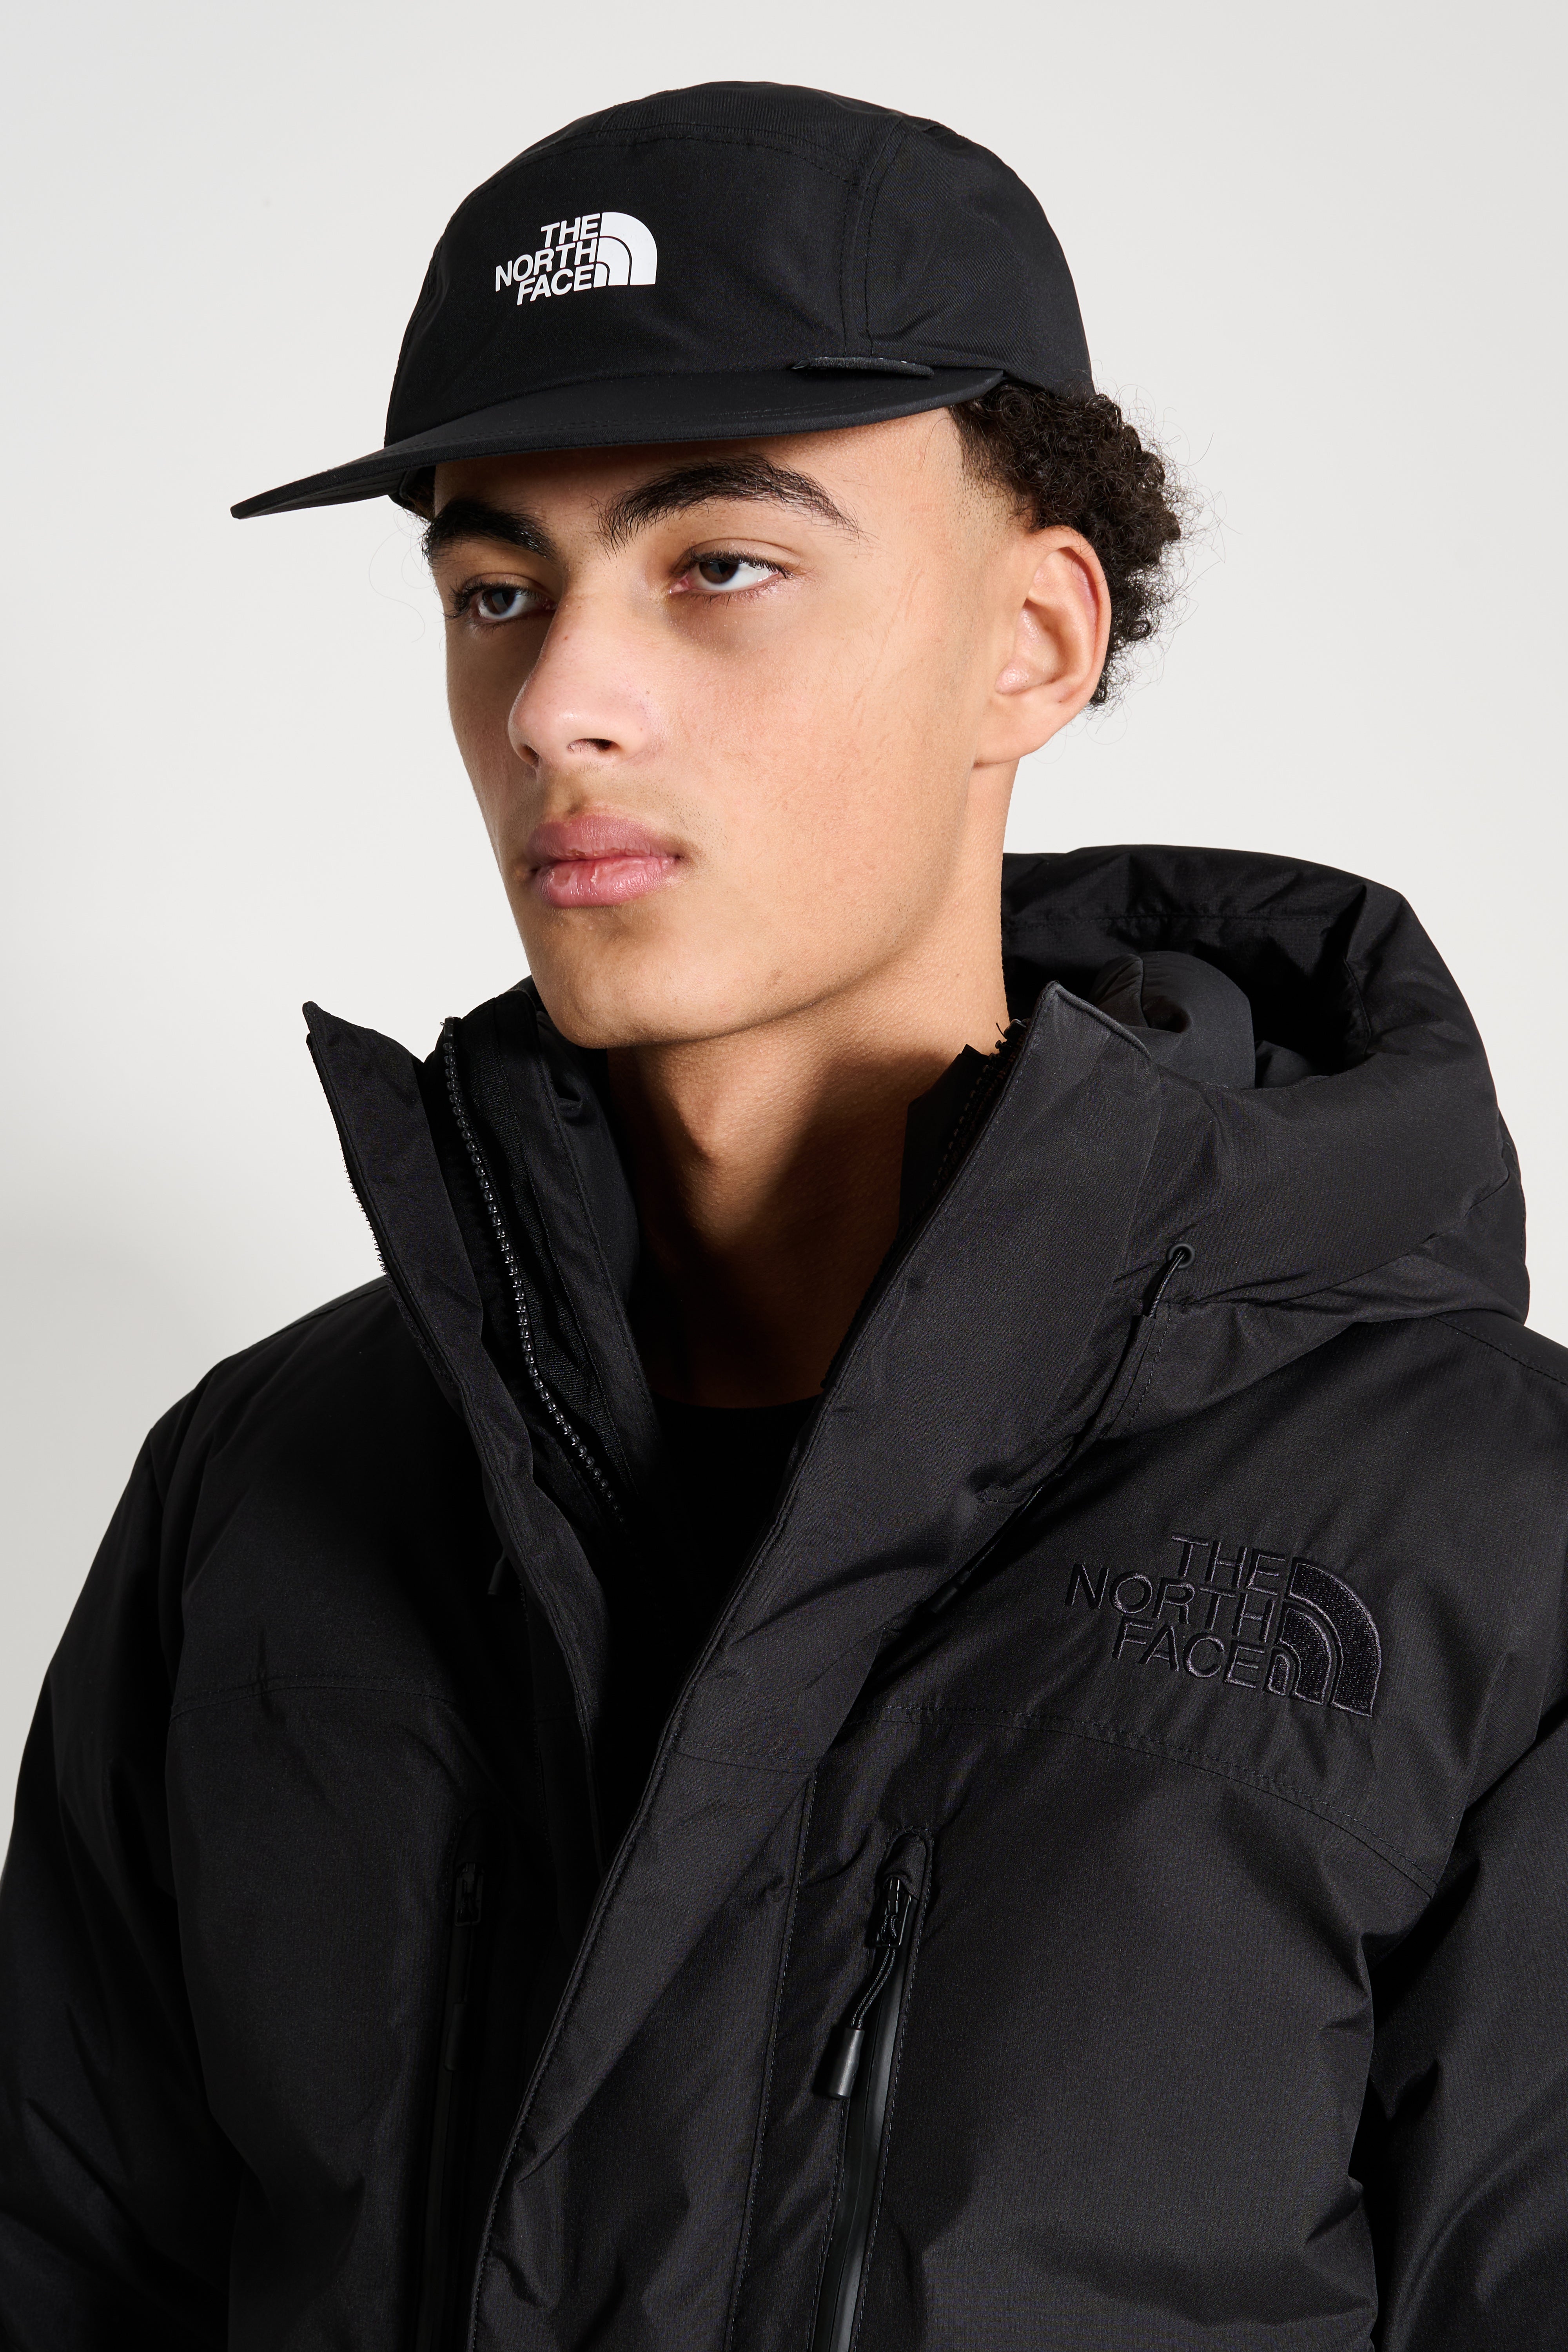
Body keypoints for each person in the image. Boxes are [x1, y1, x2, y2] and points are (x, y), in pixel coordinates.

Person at [1, 78, 1564, 2352]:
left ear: (1033, 640)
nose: (559, 702)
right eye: (496, 590)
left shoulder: (1490, 1540)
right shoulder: (261, 1491)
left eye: (718, 564)